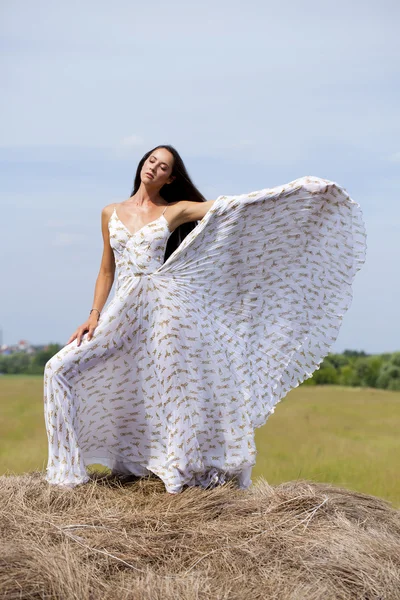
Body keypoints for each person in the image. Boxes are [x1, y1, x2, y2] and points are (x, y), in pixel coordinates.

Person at [43, 144, 367, 494]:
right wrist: (93, 315)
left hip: (163, 312)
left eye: (163, 166)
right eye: (152, 161)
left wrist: (293, 191)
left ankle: (177, 467)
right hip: (121, 311)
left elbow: (230, 206)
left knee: (170, 390)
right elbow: (106, 270)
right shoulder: (110, 212)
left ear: (171, 178)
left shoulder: (175, 210)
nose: (154, 168)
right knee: (58, 369)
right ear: (143, 165)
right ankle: (67, 471)